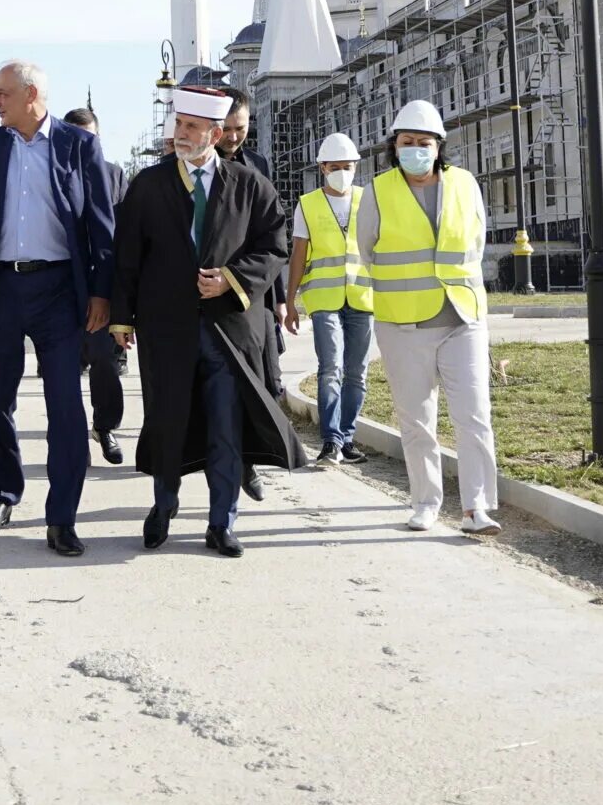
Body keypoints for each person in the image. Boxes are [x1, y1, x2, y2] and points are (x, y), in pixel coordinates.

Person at [112, 77, 302, 557]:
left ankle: (221, 523)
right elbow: (126, 256)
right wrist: (121, 318)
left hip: (229, 333)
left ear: (215, 135)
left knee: (225, 427)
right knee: (167, 421)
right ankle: (163, 505)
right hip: (166, 330)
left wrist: (233, 280)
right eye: (178, 123)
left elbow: (275, 244)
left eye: (192, 126)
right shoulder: (149, 185)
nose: (181, 133)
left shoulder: (249, 185)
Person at [0, 60, 116, 557]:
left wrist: (102, 293)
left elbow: (102, 225)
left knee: (65, 406)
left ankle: (62, 517)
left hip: (61, 293)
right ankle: (2, 494)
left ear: (31, 94)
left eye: (2, 94)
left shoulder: (78, 146)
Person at [360, 99, 501, 535]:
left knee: (474, 413)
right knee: (416, 418)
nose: (416, 149)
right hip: (403, 324)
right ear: (394, 147)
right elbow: (367, 252)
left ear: (439, 146)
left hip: (462, 316)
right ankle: (425, 502)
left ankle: (477, 507)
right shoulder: (378, 191)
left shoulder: (465, 184)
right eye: (407, 142)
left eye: (424, 142)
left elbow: (475, 242)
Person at [286, 131, 373, 465]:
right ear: (322, 168)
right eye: (334, 166)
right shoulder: (307, 204)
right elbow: (298, 254)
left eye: (347, 166)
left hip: (363, 298)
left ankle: (347, 438)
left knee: (357, 372)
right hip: (323, 300)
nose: (341, 171)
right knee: (330, 368)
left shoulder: (368, 200)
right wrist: (291, 301)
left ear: (355, 166)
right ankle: (331, 441)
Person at [214, 90, 282, 500]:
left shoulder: (258, 166)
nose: (234, 137)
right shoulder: (193, 167)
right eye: (228, 129)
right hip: (209, 295)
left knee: (264, 382)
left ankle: (250, 463)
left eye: (242, 128)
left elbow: (269, 237)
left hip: (253, 294)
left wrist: (279, 299)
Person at [61, 106, 129, 465]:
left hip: (103, 286)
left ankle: (105, 426)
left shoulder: (116, 176)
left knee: (105, 361)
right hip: (61, 286)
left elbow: (126, 236)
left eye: (91, 137)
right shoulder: (50, 173)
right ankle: (71, 436)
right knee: (63, 366)